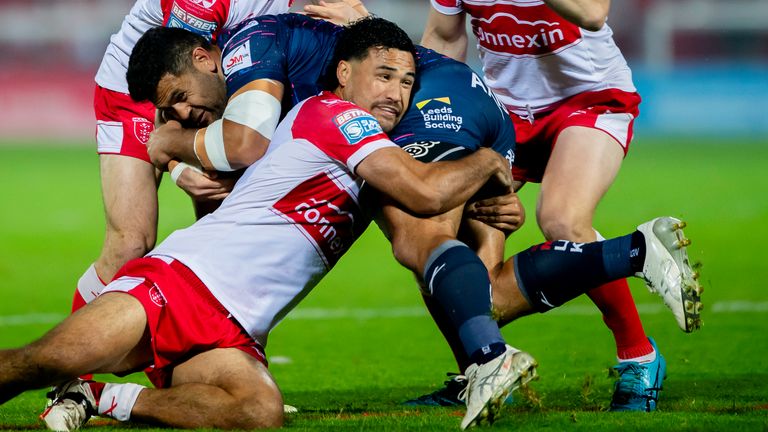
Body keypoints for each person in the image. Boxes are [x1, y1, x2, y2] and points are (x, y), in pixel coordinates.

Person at [8, 18, 516, 431]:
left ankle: (102, 396)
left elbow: (426, 190)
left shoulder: (373, 148)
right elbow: (424, 192)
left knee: (257, 414)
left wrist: (486, 204)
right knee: (41, 361)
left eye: (405, 83)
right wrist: (490, 163)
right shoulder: (331, 115)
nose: (395, 94)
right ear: (342, 73)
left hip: (238, 328)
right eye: (382, 78)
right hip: (181, 285)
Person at [417, 0, 702, 411]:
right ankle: (481, 369)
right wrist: (436, 116)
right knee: (440, 240)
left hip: (590, 99)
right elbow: (444, 36)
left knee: (562, 220)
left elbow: (591, 12)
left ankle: (639, 357)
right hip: (504, 116)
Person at [75, 0, 294, 313]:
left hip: (215, 86)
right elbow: (177, 80)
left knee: (226, 244)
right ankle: (67, 358)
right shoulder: (202, 4)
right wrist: (177, 166)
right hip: (142, 95)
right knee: (130, 243)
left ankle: (220, 354)